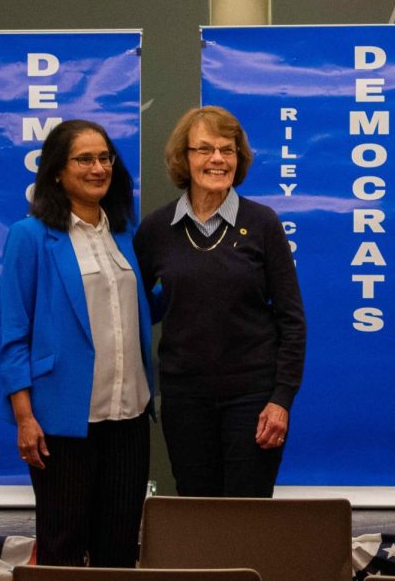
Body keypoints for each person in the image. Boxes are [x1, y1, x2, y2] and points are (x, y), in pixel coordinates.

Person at [0, 119, 153, 567]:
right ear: (56, 171)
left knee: (120, 547)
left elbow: (142, 309)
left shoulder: (125, 232)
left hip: (130, 416)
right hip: (62, 422)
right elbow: (14, 337)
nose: (98, 167)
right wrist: (25, 417)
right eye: (84, 158)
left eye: (105, 157)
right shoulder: (28, 237)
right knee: (62, 546)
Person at [134, 105, 305, 497]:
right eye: (205, 149)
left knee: (245, 518)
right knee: (197, 516)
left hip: (253, 400)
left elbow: (292, 319)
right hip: (184, 401)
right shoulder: (156, 230)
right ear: (184, 158)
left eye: (227, 150)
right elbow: (133, 311)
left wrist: (281, 400)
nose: (217, 159)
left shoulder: (263, 224)